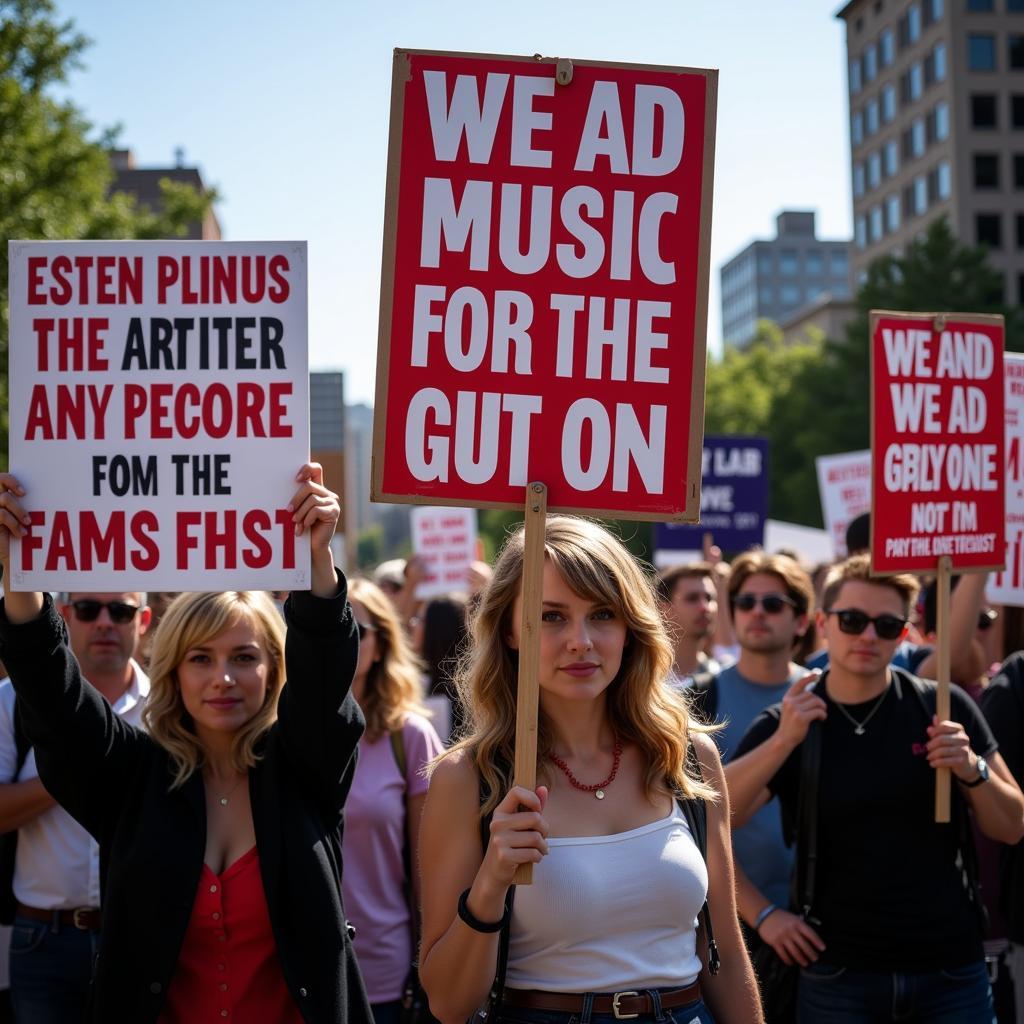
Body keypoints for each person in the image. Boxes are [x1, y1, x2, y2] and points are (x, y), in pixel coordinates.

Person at [0, 466, 372, 1024]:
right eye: (201, 659)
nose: (223, 677)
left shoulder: (303, 770)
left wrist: (318, 562)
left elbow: (323, 679)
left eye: (244, 657)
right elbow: (54, 700)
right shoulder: (132, 778)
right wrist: (21, 574)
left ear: (274, 671)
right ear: (172, 672)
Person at [418, 516, 762, 1024]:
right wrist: (491, 881)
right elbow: (448, 1003)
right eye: (552, 616)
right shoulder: (469, 779)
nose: (580, 640)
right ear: (511, 630)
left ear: (630, 627)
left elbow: (726, 954)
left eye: (602, 614)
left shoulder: (687, 757)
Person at [726, 553, 1024, 1023]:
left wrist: (971, 770)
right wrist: (764, 916)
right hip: (838, 972)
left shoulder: (942, 706)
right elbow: (713, 817)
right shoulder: (795, 715)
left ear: (904, 634)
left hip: (949, 970)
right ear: (823, 623)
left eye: (886, 625)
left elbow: (1012, 825)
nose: (867, 636)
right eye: (852, 620)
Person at [0, 588, 150, 1023]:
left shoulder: (173, 704)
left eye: (120, 610)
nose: (104, 622)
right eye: (88, 609)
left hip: (142, 936)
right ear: (64, 616)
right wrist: (77, 762)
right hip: (44, 937)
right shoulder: (11, 701)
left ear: (143, 621)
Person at [343, 578, 443, 1024]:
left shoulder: (410, 737)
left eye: (351, 627)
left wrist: (431, 963)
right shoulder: (277, 733)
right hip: (289, 968)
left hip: (383, 973)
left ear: (380, 646)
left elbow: (431, 868)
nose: (334, 636)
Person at [655, 562, 720, 687]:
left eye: (709, 598)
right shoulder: (641, 678)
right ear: (665, 609)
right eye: (692, 598)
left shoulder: (720, 676)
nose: (705, 607)